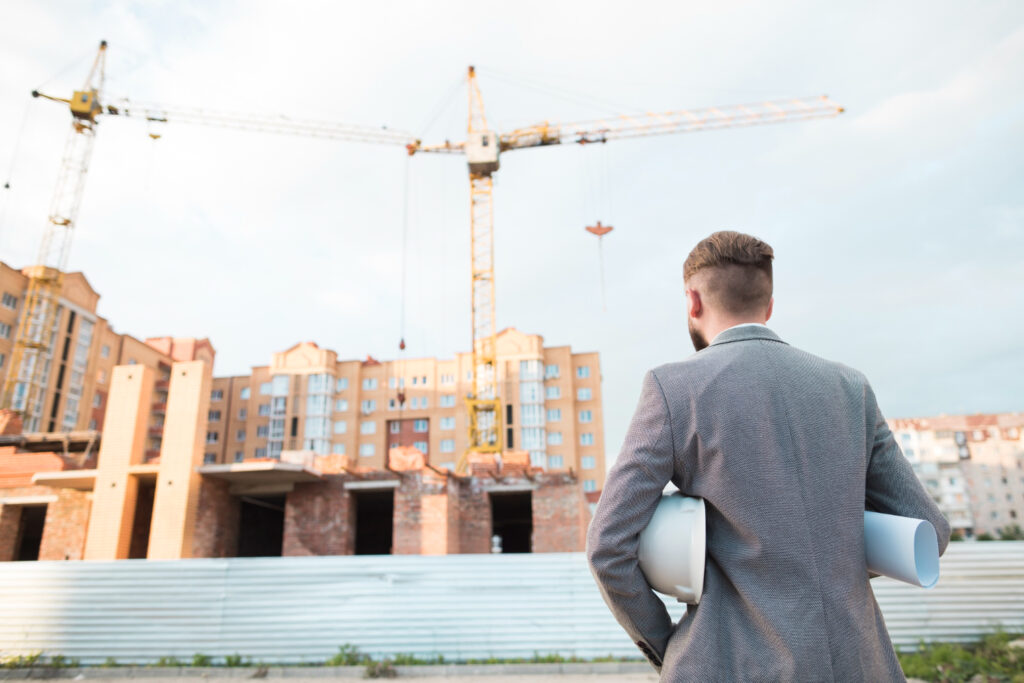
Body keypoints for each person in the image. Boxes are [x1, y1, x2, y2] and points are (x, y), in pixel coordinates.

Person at [586, 230, 950, 682]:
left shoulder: (673, 390)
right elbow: (929, 531)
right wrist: (830, 560)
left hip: (729, 665)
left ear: (693, 302)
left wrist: (672, 647)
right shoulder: (850, 387)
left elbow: (608, 546)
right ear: (770, 305)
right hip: (859, 663)